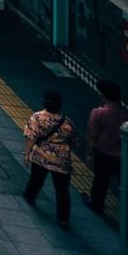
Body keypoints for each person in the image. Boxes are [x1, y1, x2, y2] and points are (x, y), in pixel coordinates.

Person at [84, 78, 128, 240]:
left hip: (104, 154)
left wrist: (89, 154)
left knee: (100, 182)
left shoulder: (98, 112)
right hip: (125, 158)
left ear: (103, 96)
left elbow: (92, 135)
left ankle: (97, 204)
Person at [22, 90, 76, 229]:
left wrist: (27, 153)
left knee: (36, 178)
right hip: (62, 158)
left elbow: (31, 137)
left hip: (42, 154)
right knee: (62, 189)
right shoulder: (68, 121)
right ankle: (63, 219)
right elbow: (73, 141)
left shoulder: (37, 117)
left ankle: (30, 196)